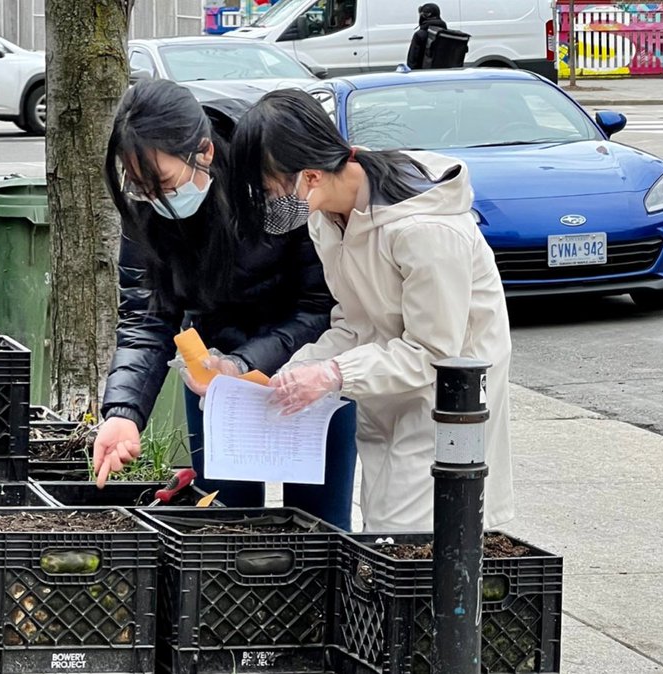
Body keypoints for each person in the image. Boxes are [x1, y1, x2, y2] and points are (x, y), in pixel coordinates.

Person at [230, 89, 514, 532]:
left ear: (310, 176)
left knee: (419, 541)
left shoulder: (425, 229)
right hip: (388, 390)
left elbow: (434, 351)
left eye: (268, 189)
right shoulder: (329, 218)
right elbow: (354, 321)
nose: (267, 203)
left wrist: (332, 375)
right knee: (387, 534)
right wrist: (290, 374)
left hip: (451, 405)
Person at [92, 79, 358, 530]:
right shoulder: (143, 199)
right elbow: (146, 317)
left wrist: (248, 362)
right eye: (140, 186)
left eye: (164, 183)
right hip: (214, 376)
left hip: (309, 365)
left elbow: (323, 305)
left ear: (205, 152)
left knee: (321, 530)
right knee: (222, 529)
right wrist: (124, 413)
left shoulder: (274, 172)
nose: (155, 198)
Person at [406, 3, 447, 70]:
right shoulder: (445, 34)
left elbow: (412, 61)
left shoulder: (420, 35)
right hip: (444, 74)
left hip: (424, 74)